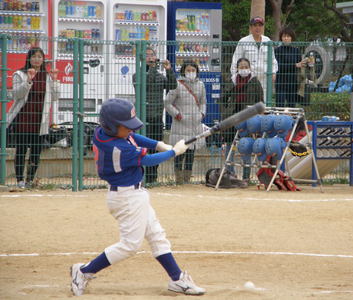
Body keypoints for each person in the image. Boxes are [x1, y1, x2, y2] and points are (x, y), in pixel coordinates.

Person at [70, 98, 205, 296]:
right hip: (126, 198)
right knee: (130, 246)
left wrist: (160, 144)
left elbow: (134, 137)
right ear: (112, 126)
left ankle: (177, 279)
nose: (130, 130)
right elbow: (148, 160)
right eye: (126, 126)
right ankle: (83, 271)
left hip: (134, 195)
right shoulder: (119, 149)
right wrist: (173, 152)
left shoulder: (103, 133)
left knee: (157, 236)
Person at [7, 47, 60, 189]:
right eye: (34, 56)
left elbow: (55, 97)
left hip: (40, 120)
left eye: (39, 56)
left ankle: (30, 180)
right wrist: (28, 81)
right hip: (24, 119)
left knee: (36, 152)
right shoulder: (19, 74)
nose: (37, 59)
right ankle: (20, 180)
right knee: (21, 150)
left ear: (43, 59)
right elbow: (16, 95)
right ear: (28, 59)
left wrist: (55, 81)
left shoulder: (47, 76)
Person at [132, 47, 177, 184]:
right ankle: (141, 176)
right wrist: (152, 67)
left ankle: (152, 177)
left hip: (157, 117)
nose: (151, 58)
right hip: (142, 118)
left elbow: (172, 85)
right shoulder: (137, 75)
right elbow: (148, 81)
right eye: (147, 55)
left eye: (152, 55)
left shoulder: (159, 75)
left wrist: (169, 70)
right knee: (142, 149)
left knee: (156, 147)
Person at [220, 57, 263, 180]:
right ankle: (230, 173)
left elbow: (260, 102)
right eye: (241, 67)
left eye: (246, 67)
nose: (244, 69)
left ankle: (246, 176)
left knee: (246, 145)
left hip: (248, 117)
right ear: (237, 68)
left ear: (250, 68)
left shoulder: (255, 82)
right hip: (232, 117)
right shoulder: (232, 81)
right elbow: (222, 99)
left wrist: (256, 115)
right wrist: (225, 112)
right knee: (229, 144)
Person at [164, 61, 206, 184]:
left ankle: (187, 179)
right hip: (181, 124)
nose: (191, 73)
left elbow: (203, 102)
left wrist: (202, 114)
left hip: (195, 124)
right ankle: (179, 179)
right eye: (188, 70)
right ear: (183, 71)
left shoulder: (201, 85)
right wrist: (177, 114)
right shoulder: (177, 84)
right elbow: (167, 102)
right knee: (179, 152)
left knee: (191, 153)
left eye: (193, 70)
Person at [230, 16, 278, 102]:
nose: (257, 28)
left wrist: (273, 72)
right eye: (255, 25)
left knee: (264, 103)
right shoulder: (243, 41)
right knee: (249, 104)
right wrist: (236, 77)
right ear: (251, 27)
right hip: (249, 80)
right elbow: (235, 60)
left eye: (260, 25)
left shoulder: (267, 41)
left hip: (265, 79)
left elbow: (273, 60)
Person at [274, 27, 308, 107]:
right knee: (279, 106)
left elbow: (300, 65)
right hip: (280, 82)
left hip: (293, 83)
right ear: (281, 38)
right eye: (284, 36)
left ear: (292, 38)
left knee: (292, 106)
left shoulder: (296, 51)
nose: (286, 38)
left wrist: (306, 63)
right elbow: (278, 66)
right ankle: (279, 119)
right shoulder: (277, 51)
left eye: (288, 36)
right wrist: (295, 65)